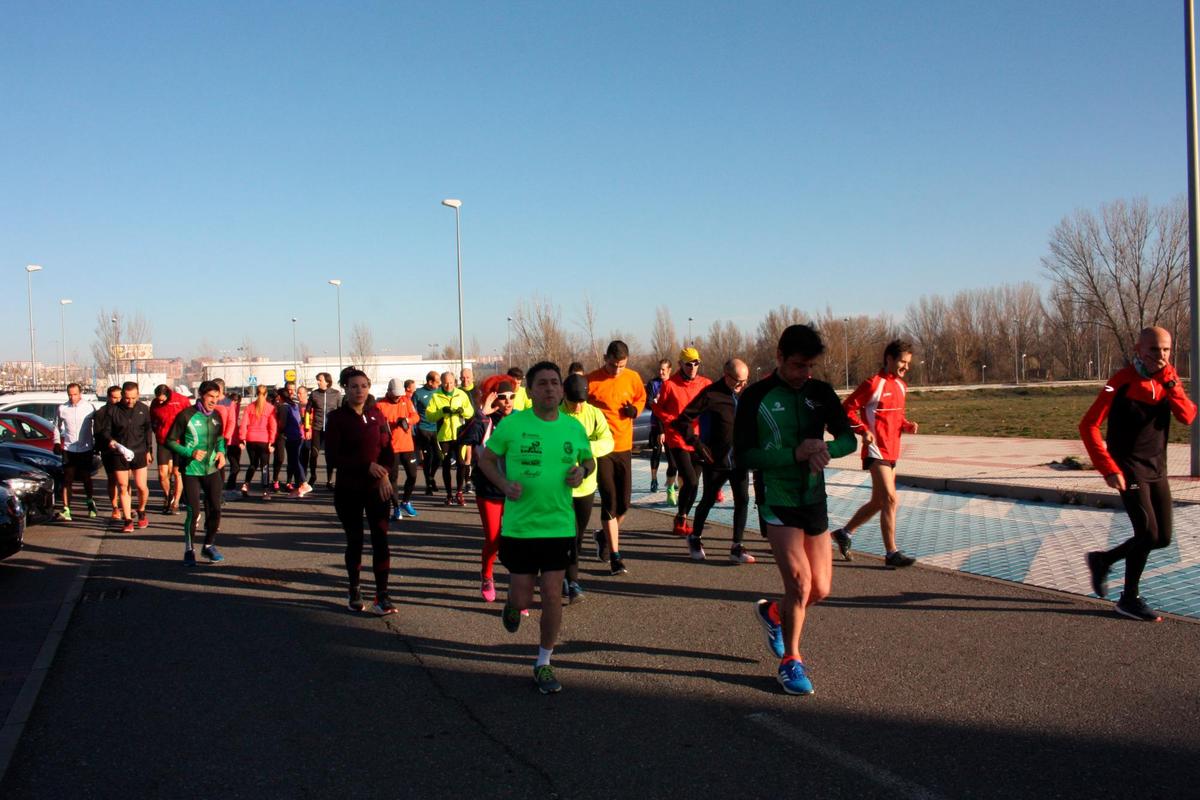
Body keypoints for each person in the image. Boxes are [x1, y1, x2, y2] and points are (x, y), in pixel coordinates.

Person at [735, 324, 856, 696]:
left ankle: (774, 613)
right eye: (798, 366)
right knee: (800, 584)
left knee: (819, 589)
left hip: (813, 498)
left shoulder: (820, 393)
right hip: (777, 498)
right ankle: (792, 660)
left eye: (810, 367)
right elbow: (742, 455)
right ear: (779, 358)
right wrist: (793, 454)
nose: (806, 374)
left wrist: (825, 450)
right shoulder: (756, 396)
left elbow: (849, 438)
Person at [477, 361, 595, 694]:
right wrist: (502, 483)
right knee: (523, 594)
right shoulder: (513, 425)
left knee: (554, 594)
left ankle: (543, 662)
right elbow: (486, 459)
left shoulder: (573, 427)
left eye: (555, 383)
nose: (549, 388)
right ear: (530, 390)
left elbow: (588, 460)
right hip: (520, 527)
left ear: (562, 389)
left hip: (559, 524)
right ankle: (513, 604)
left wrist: (582, 472)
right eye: (542, 383)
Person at [1081, 326, 1196, 622]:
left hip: (1158, 468)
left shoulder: (1169, 377)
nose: (1161, 356)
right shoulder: (1119, 382)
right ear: (1138, 349)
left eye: (1166, 350)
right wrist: (1108, 468)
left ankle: (1102, 559)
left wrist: (1171, 385)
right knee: (1147, 533)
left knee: (1162, 538)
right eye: (1154, 350)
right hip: (1128, 468)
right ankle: (1129, 598)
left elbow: (1188, 416)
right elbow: (1088, 425)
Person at [832, 339, 920, 567]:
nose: (906, 367)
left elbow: (895, 415)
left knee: (879, 502)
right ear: (889, 359)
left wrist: (906, 425)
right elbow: (846, 410)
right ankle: (891, 553)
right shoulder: (873, 384)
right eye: (902, 362)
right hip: (875, 450)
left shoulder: (901, 386)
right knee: (891, 499)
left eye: (908, 363)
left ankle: (845, 533)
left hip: (892, 451)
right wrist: (863, 430)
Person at [324, 368, 398, 615]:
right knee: (355, 540)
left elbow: (389, 451)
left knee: (381, 539)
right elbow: (334, 457)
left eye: (364, 386)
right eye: (354, 386)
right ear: (346, 388)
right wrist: (367, 466)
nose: (360, 390)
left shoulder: (378, 415)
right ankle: (354, 589)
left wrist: (385, 472)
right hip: (349, 489)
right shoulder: (336, 418)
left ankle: (382, 595)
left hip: (377, 489)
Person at [671, 358, 755, 563]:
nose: (742, 385)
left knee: (742, 500)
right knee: (708, 499)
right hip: (715, 459)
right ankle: (695, 537)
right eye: (738, 381)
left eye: (745, 381)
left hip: (739, 458)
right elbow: (683, 420)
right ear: (726, 376)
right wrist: (697, 444)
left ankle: (737, 546)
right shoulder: (710, 394)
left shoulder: (743, 394)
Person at [586, 340, 647, 575]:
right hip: (602, 449)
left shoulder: (632, 377)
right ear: (605, 358)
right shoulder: (592, 380)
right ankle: (615, 556)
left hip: (624, 447)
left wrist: (636, 410)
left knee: (624, 504)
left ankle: (603, 535)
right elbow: (576, 405)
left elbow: (641, 398)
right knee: (610, 501)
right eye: (613, 365)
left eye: (621, 365)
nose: (617, 370)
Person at [560, 373, 613, 602]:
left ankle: (564, 574)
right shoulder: (556, 415)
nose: (579, 406)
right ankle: (572, 582)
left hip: (586, 486)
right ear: (565, 397)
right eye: (574, 402)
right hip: (559, 487)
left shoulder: (593, 414)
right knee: (566, 535)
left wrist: (586, 447)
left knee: (578, 536)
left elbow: (608, 442)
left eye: (582, 401)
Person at [463, 380, 517, 602]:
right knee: (494, 539)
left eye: (511, 396)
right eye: (502, 397)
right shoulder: (485, 420)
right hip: (489, 489)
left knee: (517, 539)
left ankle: (518, 590)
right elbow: (465, 438)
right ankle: (487, 576)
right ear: (493, 397)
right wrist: (481, 414)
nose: (507, 401)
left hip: (516, 490)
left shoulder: (521, 419)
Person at [166, 381, 227, 566]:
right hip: (191, 469)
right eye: (210, 397)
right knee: (194, 511)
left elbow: (219, 439)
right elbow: (170, 441)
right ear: (201, 395)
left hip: (211, 469)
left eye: (217, 397)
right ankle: (189, 550)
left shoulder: (217, 416)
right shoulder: (186, 415)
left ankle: (208, 545)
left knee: (216, 509)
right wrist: (189, 452)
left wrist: (222, 452)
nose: (214, 401)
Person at [653, 347, 713, 536]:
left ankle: (681, 517)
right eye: (688, 364)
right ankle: (681, 517)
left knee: (694, 483)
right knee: (692, 481)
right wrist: (672, 421)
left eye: (696, 363)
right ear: (680, 364)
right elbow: (657, 408)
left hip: (697, 440)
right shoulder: (670, 385)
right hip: (677, 438)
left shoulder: (705, 383)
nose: (693, 367)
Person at [95, 381, 156, 533]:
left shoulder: (143, 409)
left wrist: (149, 450)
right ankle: (128, 519)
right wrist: (110, 441)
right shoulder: (113, 410)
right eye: (128, 398)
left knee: (141, 487)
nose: (131, 401)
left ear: (138, 395)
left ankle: (141, 511)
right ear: (122, 395)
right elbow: (105, 430)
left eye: (134, 398)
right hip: (119, 452)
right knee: (123, 486)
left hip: (139, 452)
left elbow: (148, 430)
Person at [425, 371, 475, 506]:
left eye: (451, 382)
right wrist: (442, 412)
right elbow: (429, 416)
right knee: (446, 465)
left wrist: (461, 411)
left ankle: (459, 493)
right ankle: (448, 495)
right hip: (444, 436)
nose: (448, 385)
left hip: (459, 435)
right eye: (446, 382)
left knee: (461, 463)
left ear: (455, 382)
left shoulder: (461, 394)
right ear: (441, 382)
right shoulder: (436, 396)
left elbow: (470, 412)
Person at [52, 382, 97, 520]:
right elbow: (56, 427)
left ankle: (90, 502)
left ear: (80, 393)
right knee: (67, 480)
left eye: (75, 394)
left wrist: (95, 443)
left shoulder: (89, 407)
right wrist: (57, 442)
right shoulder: (62, 408)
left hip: (85, 448)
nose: (72, 397)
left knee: (86, 478)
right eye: (70, 395)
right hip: (69, 449)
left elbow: (96, 426)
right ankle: (66, 509)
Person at [377, 379, 421, 520]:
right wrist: (387, 425)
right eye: (395, 394)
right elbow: (377, 425)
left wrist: (406, 421)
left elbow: (416, 416)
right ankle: (396, 507)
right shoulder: (380, 405)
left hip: (407, 445)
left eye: (399, 394)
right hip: (391, 447)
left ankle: (405, 501)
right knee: (393, 478)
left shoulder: (406, 401)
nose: (397, 397)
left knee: (413, 475)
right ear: (389, 391)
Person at [149, 385, 190, 515]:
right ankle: (168, 496)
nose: (160, 402)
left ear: (168, 395)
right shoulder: (155, 403)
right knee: (162, 473)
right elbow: (152, 420)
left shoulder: (182, 400)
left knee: (177, 473)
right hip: (163, 441)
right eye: (158, 400)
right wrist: (157, 431)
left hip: (179, 442)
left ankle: (176, 503)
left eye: (162, 400)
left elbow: (191, 417)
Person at [239, 385, 278, 500]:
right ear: (266, 394)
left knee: (253, 464)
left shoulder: (249, 407)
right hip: (264, 439)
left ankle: (246, 484)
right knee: (264, 466)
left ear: (256, 393)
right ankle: (265, 491)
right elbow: (273, 426)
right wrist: (272, 441)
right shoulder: (270, 408)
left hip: (251, 439)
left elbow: (243, 424)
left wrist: (242, 438)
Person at [646, 359, 678, 496]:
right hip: (656, 423)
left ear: (669, 370)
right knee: (657, 452)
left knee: (673, 457)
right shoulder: (653, 384)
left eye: (663, 370)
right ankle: (654, 480)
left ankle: (671, 481)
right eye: (659, 369)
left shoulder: (674, 383)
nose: (661, 372)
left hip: (670, 425)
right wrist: (655, 401)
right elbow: (648, 402)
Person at [306, 372, 342, 490]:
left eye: (319, 380)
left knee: (330, 456)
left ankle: (329, 480)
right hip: (317, 428)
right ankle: (313, 476)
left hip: (331, 429)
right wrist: (307, 428)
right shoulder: (314, 394)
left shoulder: (336, 394)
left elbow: (341, 412)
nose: (317, 382)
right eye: (317, 380)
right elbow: (307, 411)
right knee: (314, 453)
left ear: (327, 381)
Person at [92, 385, 123, 519]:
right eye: (114, 397)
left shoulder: (125, 411)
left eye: (119, 397)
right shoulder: (101, 413)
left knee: (124, 481)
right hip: (108, 451)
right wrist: (105, 446)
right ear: (109, 397)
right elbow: (98, 433)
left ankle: (125, 505)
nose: (117, 400)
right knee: (112, 479)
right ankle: (115, 507)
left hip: (123, 450)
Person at [412, 371, 442, 495]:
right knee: (428, 457)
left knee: (439, 457)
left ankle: (431, 477)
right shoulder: (418, 394)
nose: (440, 383)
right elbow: (412, 412)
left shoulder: (439, 392)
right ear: (430, 382)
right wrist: (414, 430)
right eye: (437, 381)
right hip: (423, 429)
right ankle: (428, 485)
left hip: (437, 430)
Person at [222, 391, 244, 490]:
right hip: (227, 440)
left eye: (238, 401)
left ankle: (231, 485)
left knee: (236, 466)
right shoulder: (227, 409)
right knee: (226, 465)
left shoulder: (239, 410)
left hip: (235, 441)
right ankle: (229, 486)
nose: (236, 403)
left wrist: (242, 440)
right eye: (234, 400)